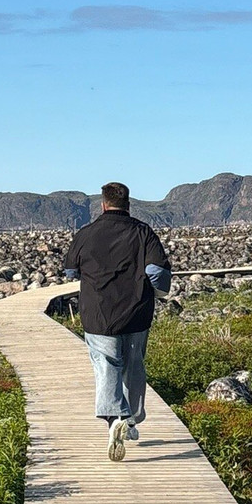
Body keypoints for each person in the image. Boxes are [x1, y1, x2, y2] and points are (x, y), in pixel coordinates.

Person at [63, 182, 171, 461]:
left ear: (102, 204)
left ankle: (114, 418)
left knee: (106, 366)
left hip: (98, 315)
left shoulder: (85, 234)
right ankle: (132, 418)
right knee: (134, 367)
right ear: (128, 204)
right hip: (137, 313)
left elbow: (70, 271)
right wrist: (157, 291)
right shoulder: (143, 232)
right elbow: (156, 271)